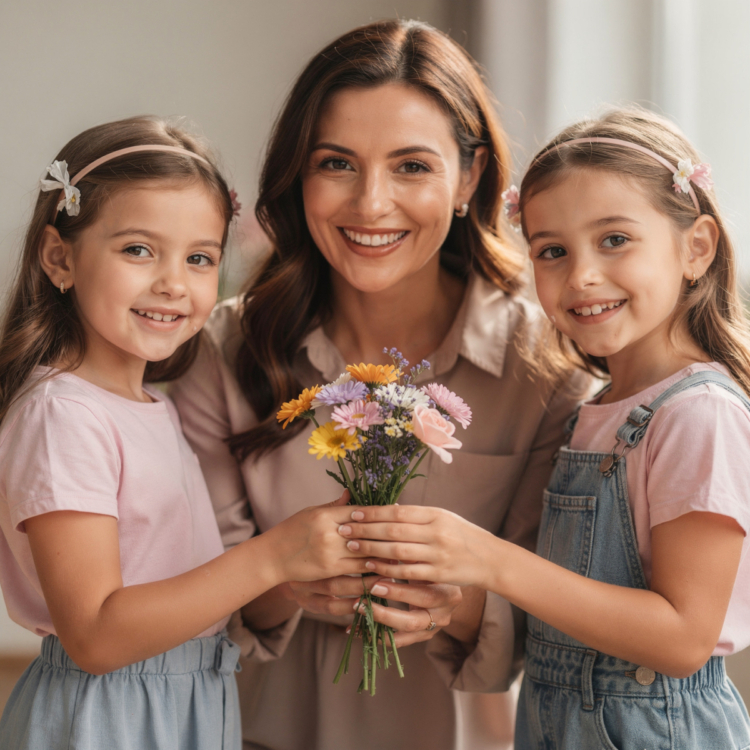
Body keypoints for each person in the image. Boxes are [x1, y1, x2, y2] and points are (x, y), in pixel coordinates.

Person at [171, 19, 588, 750]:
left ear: (470, 178)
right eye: (336, 163)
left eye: (411, 166)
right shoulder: (222, 350)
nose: (370, 204)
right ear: (298, 176)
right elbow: (187, 604)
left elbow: (556, 620)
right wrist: (289, 579)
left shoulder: (547, 365)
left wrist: (449, 602)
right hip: (253, 732)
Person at [340, 107, 750, 749]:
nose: (581, 275)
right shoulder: (596, 408)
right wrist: (450, 590)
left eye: (614, 239)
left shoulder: (697, 414)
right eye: (552, 251)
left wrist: (490, 560)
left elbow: (682, 639)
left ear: (695, 247)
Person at [0, 117, 369, 750]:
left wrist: (291, 576)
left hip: (187, 705)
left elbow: (179, 592)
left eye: (199, 258)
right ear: (60, 257)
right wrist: (273, 553)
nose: (174, 282)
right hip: (110, 718)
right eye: (138, 249)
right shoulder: (63, 416)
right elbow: (94, 635)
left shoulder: (150, 406)